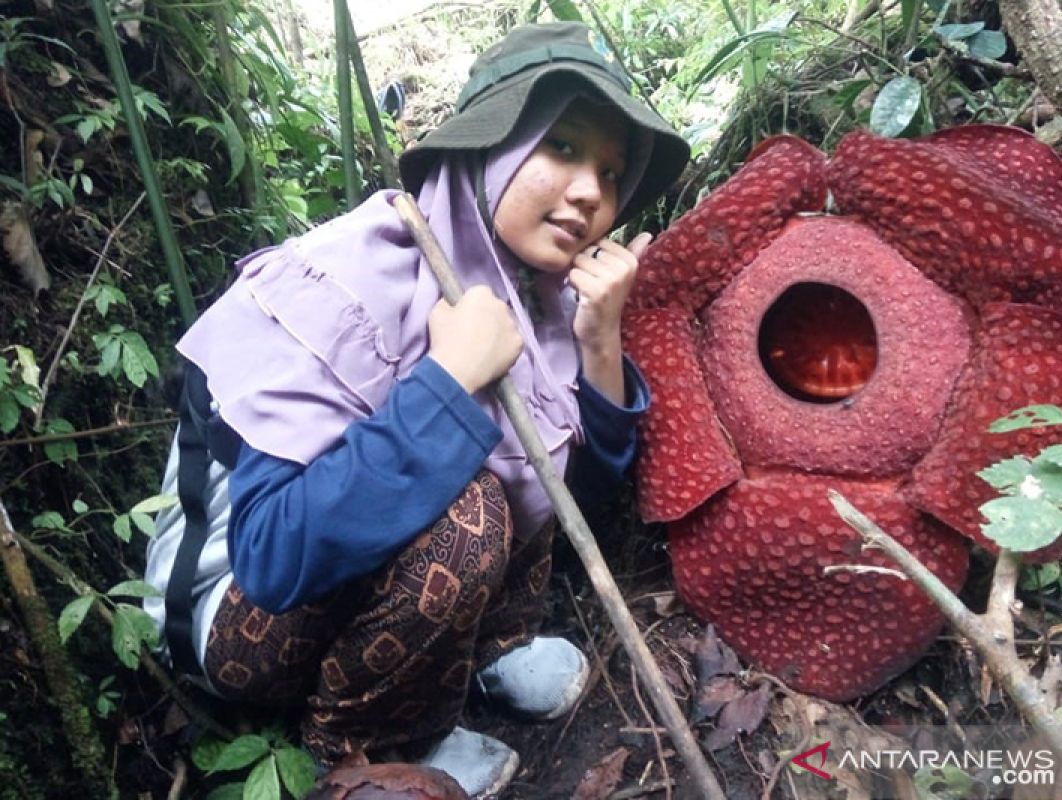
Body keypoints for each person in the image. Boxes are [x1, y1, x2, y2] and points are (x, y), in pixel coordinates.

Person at [142, 21, 689, 798]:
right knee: (468, 497)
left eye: (611, 171)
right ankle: (367, 739)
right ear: (486, 147)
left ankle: (489, 651)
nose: (589, 192)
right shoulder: (342, 278)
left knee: (510, 447)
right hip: (230, 610)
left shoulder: (535, 297)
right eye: (562, 147)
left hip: (337, 584)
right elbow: (271, 557)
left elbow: (577, 497)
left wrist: (599, 342)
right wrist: (444, 382)